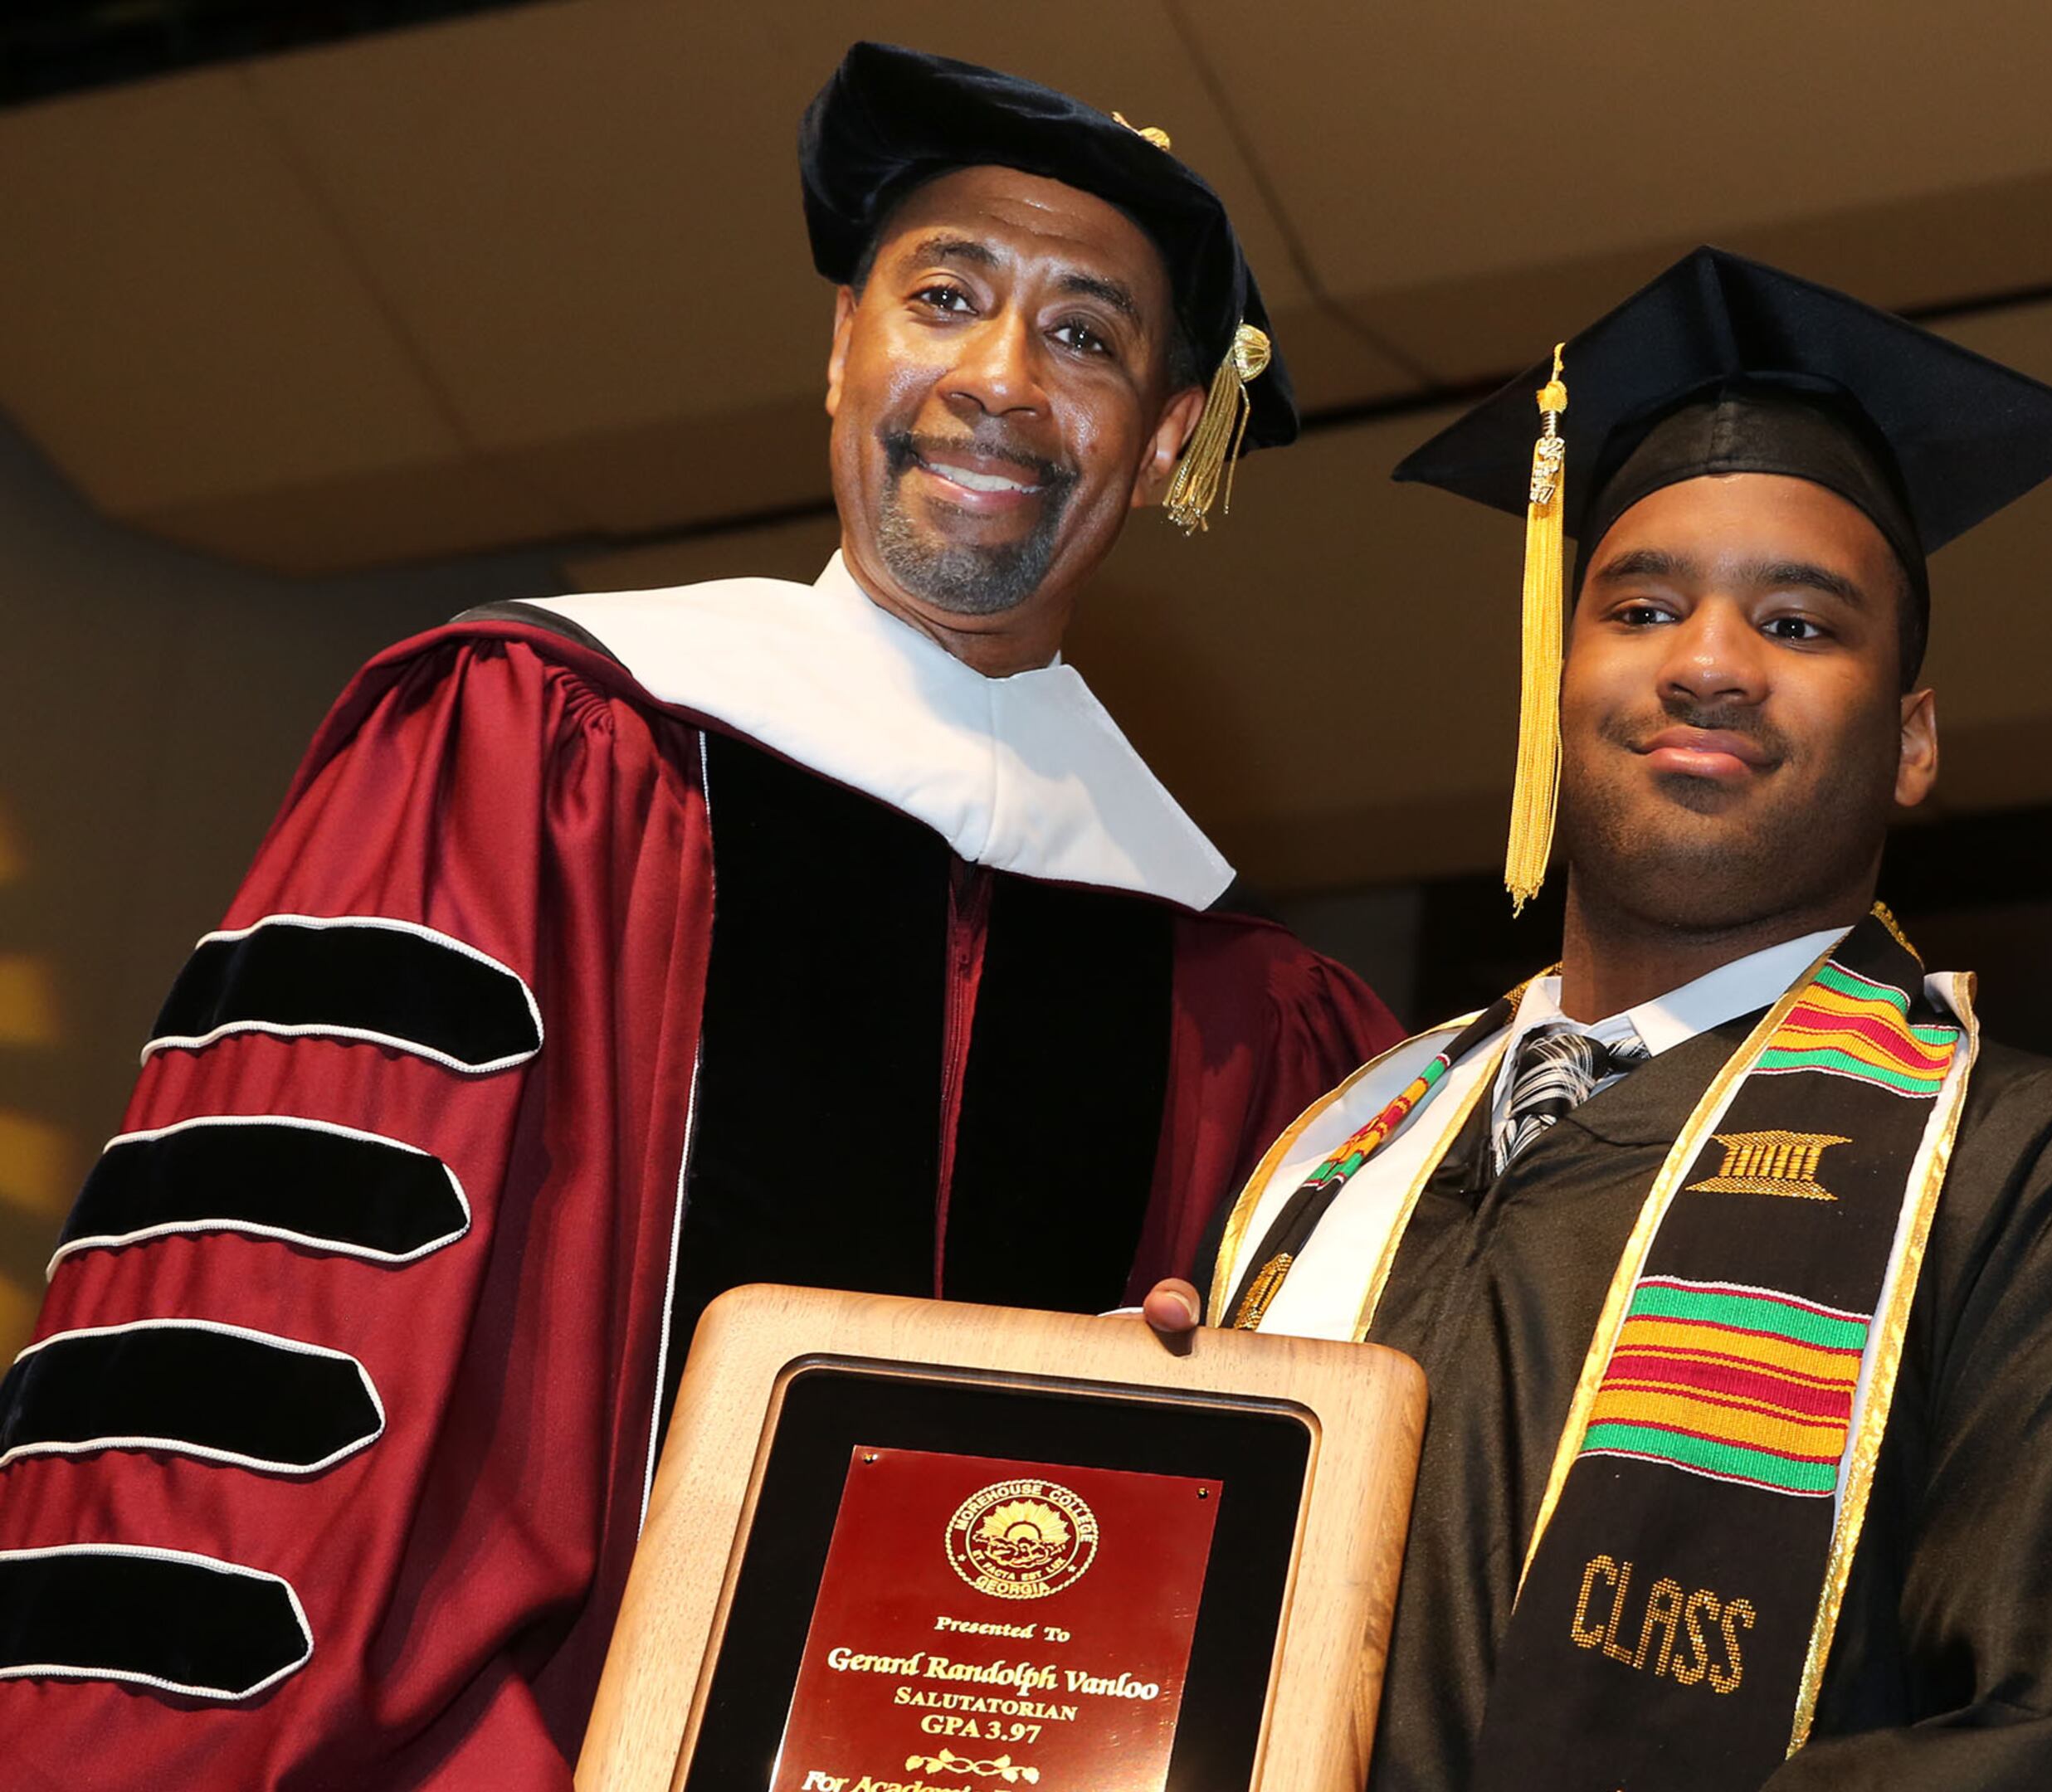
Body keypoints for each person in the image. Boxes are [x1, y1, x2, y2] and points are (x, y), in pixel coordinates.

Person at [0, 42, 1397, 1788]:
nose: (997, 382)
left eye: (1089, 338)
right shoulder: (524, 750)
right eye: (943, 295)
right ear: (841, 350)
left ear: (1169, 434)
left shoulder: (1248, 1010)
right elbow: (271, 1353)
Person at [1146, 247, 2052, 1792]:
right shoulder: (1338, 1156)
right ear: (1557, 679)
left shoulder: (2043, 1185)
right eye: (1645, 606)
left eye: (1801, 627)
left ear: (1913, 742)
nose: (1712, 665)